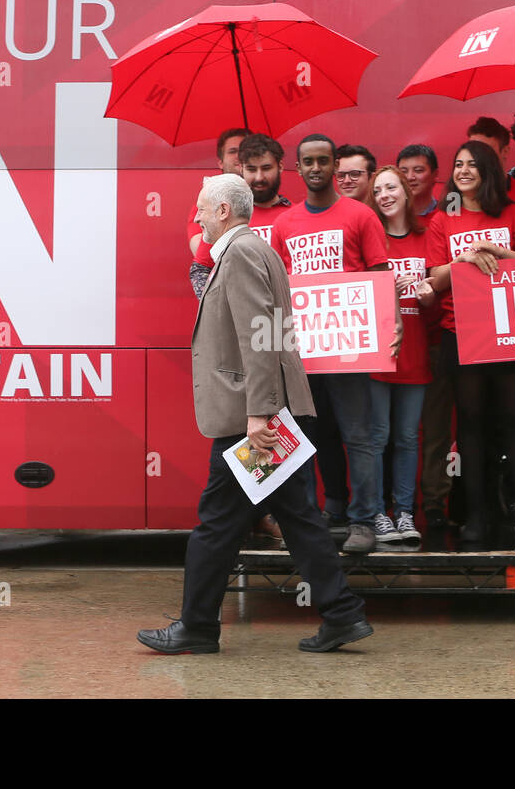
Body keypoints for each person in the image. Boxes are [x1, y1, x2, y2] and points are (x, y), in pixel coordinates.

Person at [137, 174, 372, 654]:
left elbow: (260, 335)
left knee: (216, 523)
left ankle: (197, 629)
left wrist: (260, 414)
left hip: (254, 421)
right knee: (298, 516)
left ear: (223, 211)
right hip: (268, 414)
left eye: (202, 208)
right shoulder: (256, 250)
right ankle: (342, 614)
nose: (197, 216)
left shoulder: (240, 253)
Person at [270, 134, 400, 554]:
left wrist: (392, 323)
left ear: (334, 166)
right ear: (298, 168)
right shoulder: (284, 224)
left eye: (323, 161)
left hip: (350, 347)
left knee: (358, 436)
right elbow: (276, 288)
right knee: (310, 437)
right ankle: (324, 514)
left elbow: (382, 275)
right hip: (303, 352)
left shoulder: (360, 215)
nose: (315, 168)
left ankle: (364, 521)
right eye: (307, 161)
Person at [423, 140, 515, 549]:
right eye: (458, 164)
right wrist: (465, 261)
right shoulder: (443, 220)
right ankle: (476, 515)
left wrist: (498, 252)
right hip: (461, 333)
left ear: (489, 170)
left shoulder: (512, 213)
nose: (463, 170)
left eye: (472, 164)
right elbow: (434, 281)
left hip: (513, 331)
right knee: (470, 426)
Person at [369, 167, 436, 542]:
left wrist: (428, 297)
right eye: (377, 190)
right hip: (379, 357)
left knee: (408, 438)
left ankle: (406, 513)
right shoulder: (371, 240)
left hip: (416, 354)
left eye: (391, 187)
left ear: (406, 193)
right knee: (378, 437)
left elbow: (436, 303)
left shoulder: (427, 237)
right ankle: (378, 513)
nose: (384, 195)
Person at [187, 127, 252, 297]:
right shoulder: (206, 203)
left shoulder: (275, 203)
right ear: (220, 163)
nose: (240, 155)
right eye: (233, 151)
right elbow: (202, 253)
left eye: (245, 150)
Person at [467, 116, 515, 228]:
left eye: (486, 150)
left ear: (505, 151)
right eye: (472, 150)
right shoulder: (456, 197)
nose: (478, 156)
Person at [397, 144, 440, 216]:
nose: (409, 177)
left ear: (435, 174)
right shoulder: (390, 216)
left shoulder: (447, 215)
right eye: (403, 171)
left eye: (418, 170)